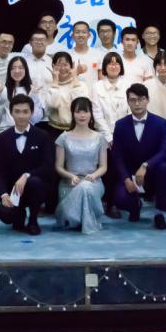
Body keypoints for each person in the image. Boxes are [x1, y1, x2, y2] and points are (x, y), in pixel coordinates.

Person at [110, 84, 166, 230]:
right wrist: (126, 179)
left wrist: (146, 165)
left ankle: (159, 214)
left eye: (141, 99)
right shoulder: (120, 125)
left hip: (153, 172)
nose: (137, 103)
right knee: (119, 198)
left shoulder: (161, 123)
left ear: (147, 100)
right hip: (131, 174)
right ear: (128, 102)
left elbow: (165, 150)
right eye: (133, 100)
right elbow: (117, 156)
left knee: (164, 168)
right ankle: (135, 206)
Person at [0, 95, 55, 235]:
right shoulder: (3, 137)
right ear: (11, 113)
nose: (21, 116)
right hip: (14, 190)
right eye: (17, 111)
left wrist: (27, 175)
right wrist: (4, 194)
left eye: (25, 111)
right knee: (6, 215)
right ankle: (19, 211)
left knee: (34, 183)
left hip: (36, 185)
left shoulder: (43, 136)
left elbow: (48, 166)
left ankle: (33, 220)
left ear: (32, 112)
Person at [54, 97, 108, 234]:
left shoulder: (100, 138)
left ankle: (83, 221)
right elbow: (58, 167)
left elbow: (103, 166)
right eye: (78, 111)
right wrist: (70, 176)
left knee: (86, 187)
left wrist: (93, 175)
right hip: (69, 183)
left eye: (85, 111)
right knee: (83, 187)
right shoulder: (63, 138)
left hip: (93, 182)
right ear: (72, 114)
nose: (82, 115)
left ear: (91, 114)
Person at [0, 56, 45, 134]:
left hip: (27, 132)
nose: (17, 71)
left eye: (20, 68)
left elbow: (36, 118)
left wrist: (34, 97)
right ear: (9, 71)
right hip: (6, 131)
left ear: (26, 70)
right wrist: (0, 98)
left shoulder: (33, 89)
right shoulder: (2, 89)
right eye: (13, 68)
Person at [44, 52, 91, 140]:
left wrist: (75, 77)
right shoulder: (51, 85)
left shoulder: (81, 84)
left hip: (76, 129)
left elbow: (80, 105)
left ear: (71, 65)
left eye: (65, 65)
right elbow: (53, 104)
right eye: (59, 65)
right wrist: (55, 81)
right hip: (54, 130)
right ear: (53, 66)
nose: (62, 68)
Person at [92, 52, 130, 144]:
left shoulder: (128, 85)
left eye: (116, 64)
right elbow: (97, 114)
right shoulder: (97, 86)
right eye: (110, 64)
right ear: (105, 67)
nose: (113, 67)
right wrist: (109, 138)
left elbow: (131, 112)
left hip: (125, 135)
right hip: (102, 137)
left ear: (121, 66)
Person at [68, 21, 101, 89]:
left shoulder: (98, 54)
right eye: (77, 32)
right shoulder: (67, 56)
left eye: (84, 32)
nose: (80, 35)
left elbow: (101, 80)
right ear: (72, 36)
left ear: (89, 35)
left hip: (93, 94)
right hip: (73, 93)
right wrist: (77, 72)